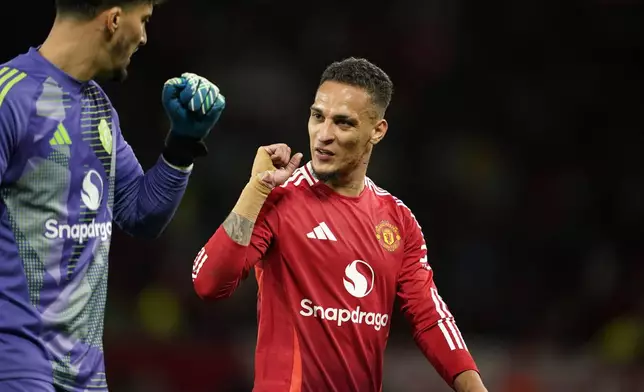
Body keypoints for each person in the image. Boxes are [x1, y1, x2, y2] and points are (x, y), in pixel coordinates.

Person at [191, 57, 487, 392]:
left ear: (377, 130)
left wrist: (474, 388)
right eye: (318, 116)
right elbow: (208, 283)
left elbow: (430, 318)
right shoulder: (279, 200)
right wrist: (255, 188)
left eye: (343, 123)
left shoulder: (398, 220)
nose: (323, 135)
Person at [0, 0, 225, 391]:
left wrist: (183, 143)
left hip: (86, 377)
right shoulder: (10, 99)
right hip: (17, 368)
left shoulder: (99, 108)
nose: (143, 37)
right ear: (115, 19)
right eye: (144, 21)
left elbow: (141, 212)